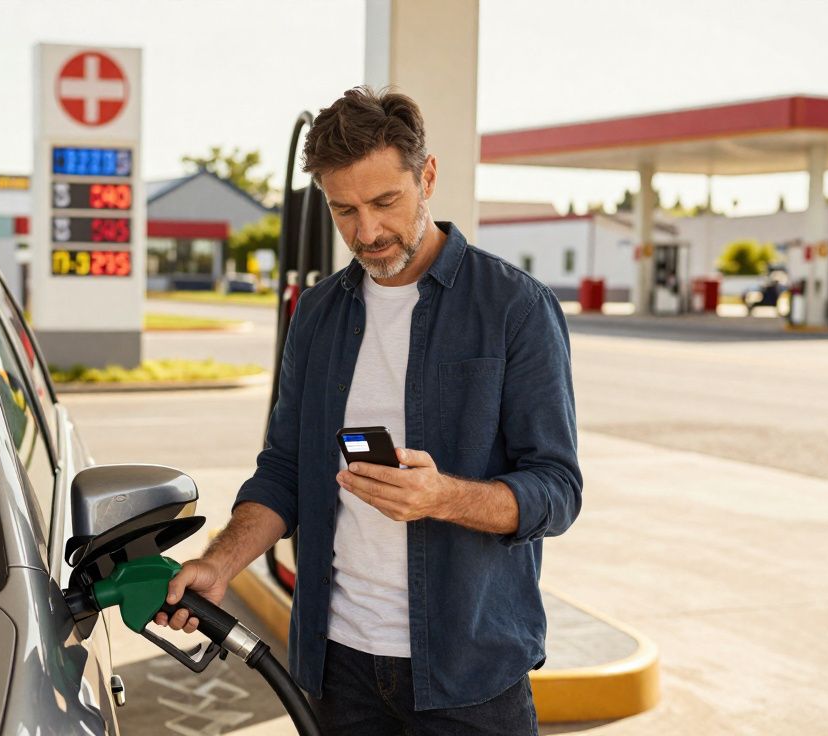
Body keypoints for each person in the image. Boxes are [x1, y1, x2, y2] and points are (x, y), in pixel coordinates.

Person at [155, 86, 583, 735]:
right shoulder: (319, 314)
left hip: (468, 675)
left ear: (427, 176)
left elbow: (557, 491)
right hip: (338, 669)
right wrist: (219, 564)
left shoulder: (512, 308)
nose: (368, 231)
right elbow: (284, 470)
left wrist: (441, 497)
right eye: (344, 209)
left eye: (386, 202)